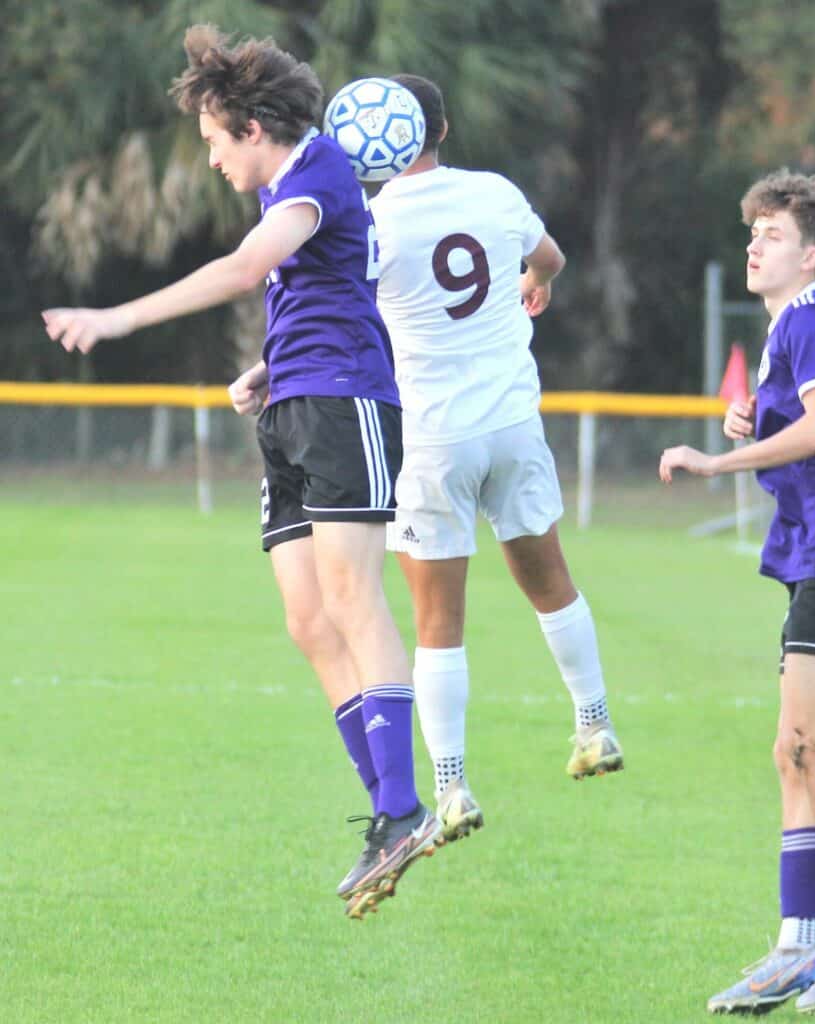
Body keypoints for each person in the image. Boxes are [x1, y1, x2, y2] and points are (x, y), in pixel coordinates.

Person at [41, 25, 441, 921]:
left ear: (252, 127)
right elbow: (327, 284)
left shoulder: (320, 169)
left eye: (215, 141)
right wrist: (271, 368)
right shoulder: (298, 188)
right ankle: (389, 813)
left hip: (345, 406)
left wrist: (118, 319)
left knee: (351, 599)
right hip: (294, 404)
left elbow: (248, 267)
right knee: (307, 619)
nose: (213, 159)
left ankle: (404, 806)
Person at [658, 169, 815, 1015]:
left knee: (809, 738)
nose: (754, 245)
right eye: (751, 233)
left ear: (811, 256)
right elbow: (805, 417)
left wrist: (718, 457)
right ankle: (797, 944)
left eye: (771, 235)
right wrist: (755, 418)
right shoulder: (787, 336)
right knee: (788, 750)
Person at [370, 74, 625, 839]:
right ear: (443, 128)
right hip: (513, 421)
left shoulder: (373, 221)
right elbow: (551, 257)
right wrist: (533, 280)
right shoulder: (493, 192)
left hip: (434, 435)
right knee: (550, 579)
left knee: (437, 618)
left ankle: (451, 788)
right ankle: (595, 724)